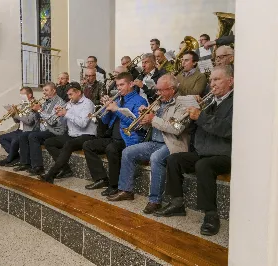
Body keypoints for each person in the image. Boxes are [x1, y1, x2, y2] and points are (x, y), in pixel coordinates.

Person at [154, 66, 234, 237]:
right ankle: (177, 203)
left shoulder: (236, 102)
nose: (212, 84)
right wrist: (193, 111)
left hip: (223, 154)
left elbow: (227, 129)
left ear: (231, 81)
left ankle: (211, 214)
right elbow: (192, 128)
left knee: (203, 165)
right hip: (203, 151)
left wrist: (201, 116)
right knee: (174, 159)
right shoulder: (210, 101)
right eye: (211, 80)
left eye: (217, 80)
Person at [107, 76, 190, 215]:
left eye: (161, 90)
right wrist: (145, 121)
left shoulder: (182, 104)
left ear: (172, 89)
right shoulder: (158, 103)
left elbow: (176, 128)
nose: (157, 93)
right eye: (157, 90)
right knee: (128, 152)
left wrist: (153, 119)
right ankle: (126, 190)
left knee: (156, 158)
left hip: (172, 144)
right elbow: (149, 127)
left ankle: (155, 201)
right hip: (155, 141)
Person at [83, 72, 147, 196]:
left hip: (129, 139)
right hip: (114, 137)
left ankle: (114, 185)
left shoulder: (139, 100)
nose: (119, 88)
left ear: (131, 84)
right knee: (88, 145)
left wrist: (116, 110)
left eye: (122, 85)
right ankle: (101, 178)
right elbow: (106, 122)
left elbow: (136, 125)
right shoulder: (118, 99)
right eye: (117, 85)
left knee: (111, 148)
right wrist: (106, 108)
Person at [41, 82, 97, 183]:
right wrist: (60, 115)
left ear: (79, 92)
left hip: (86, 135)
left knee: (69, 144)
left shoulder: (88, 104)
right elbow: (63, 122)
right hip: (72, 135)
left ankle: (51, 174)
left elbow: (83, 123)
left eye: (71, 94)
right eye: (68, 95)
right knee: (49, 142)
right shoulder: (69, 104)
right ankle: (65, 169)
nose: (69, 97)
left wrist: (66, 113)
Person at [14, 82, 66, 175]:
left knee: (33, 136)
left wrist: (40, 110)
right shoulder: (46, 102)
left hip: (54, 130)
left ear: (54, 90)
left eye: (46, 90)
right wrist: (34, 111)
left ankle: (38, 167)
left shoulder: (60, 102)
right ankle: (25, 163)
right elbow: (40, 118)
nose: (44, 93)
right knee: (24, 135)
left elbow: (52, 121)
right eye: (43, 90)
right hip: (45, 129)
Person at [0, 87, 40, 167]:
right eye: (20, 95)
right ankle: (16, 157)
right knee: (2, 137)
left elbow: (29, 122)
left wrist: (16, 114)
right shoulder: (24, 105)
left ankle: (9, 159)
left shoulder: (35, 104)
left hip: (28, 131)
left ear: (30, 95)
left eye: (23, 95)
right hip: (19, 130)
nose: (21, 97)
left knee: (14, 141)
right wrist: (13, 114)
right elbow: (17, 121)